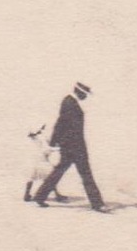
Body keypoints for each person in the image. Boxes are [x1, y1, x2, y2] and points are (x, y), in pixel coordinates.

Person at [32, 82, 106, 211]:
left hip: (71, 146)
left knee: (60, 172)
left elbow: (60, 124)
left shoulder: (70, 102)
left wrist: (56, 142)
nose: (86, 97)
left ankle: (40, 196)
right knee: (85, 174)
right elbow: (60, 124)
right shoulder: (69, 103)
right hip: (74, 147)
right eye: (85, 94)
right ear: (79, 92)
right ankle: (97, 204)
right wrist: (54, 143)